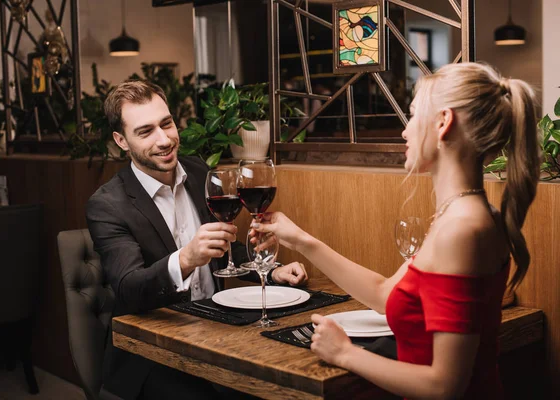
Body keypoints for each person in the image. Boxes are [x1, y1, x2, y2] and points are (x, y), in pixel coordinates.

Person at [252, 62, 539, 399]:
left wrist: (346, 354)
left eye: (414, 115)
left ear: (444, 123)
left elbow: (445, 386)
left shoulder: (462, 228)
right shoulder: (460, 216)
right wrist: (301, 240)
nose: (405, 130)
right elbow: (385, 294)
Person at [86, 79, 308, 400]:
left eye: (167, 124)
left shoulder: (201, 173)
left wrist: (270, 271)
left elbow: (219, 253)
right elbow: (129, 289)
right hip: (151, 357)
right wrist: (186, 258)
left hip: (215, 334)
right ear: (121, 141)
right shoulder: (107, 204)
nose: (164, 140)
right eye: (145, 131)